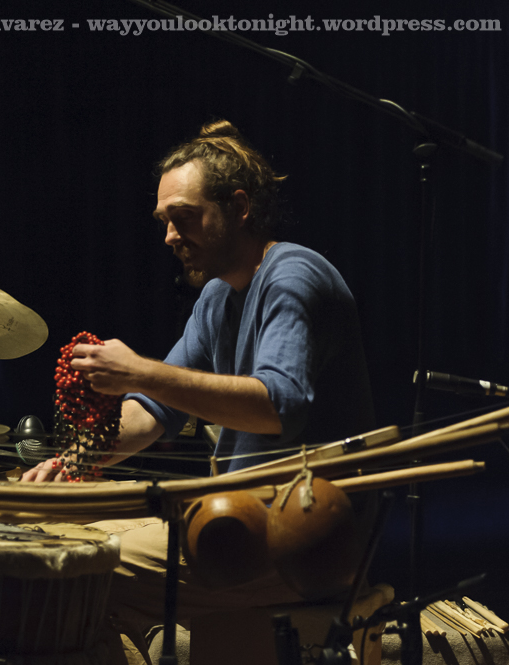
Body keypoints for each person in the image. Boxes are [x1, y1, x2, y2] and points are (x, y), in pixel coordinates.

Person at [21, 119, 376, 662]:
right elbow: (154, 410)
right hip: (236, 521)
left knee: (71, 567)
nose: (169, 236)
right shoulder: (216, 298)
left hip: (305, 538)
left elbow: (278, 406)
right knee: (48, 532)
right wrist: (78, 460)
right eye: (163, 222)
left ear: (239, 208)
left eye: (183, 217)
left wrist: (137, 371)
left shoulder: (293, 277)